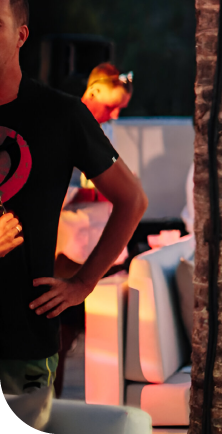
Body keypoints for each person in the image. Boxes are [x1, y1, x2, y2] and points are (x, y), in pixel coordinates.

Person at [0, 0, 148, 398]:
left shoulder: (61, 114)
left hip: (23, 341)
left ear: (20, 35)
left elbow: (132, 200)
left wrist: (84, 283)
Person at [53, 63, 135, 395]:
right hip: (70, 253)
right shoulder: (64, 126)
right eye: (111, 106)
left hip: (104, 255)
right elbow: (55, 190)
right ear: (94, 91)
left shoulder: (107, 129)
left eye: (120, 109)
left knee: (110, 344)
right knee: (60, 338)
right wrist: (108, 190)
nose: (114, 115)